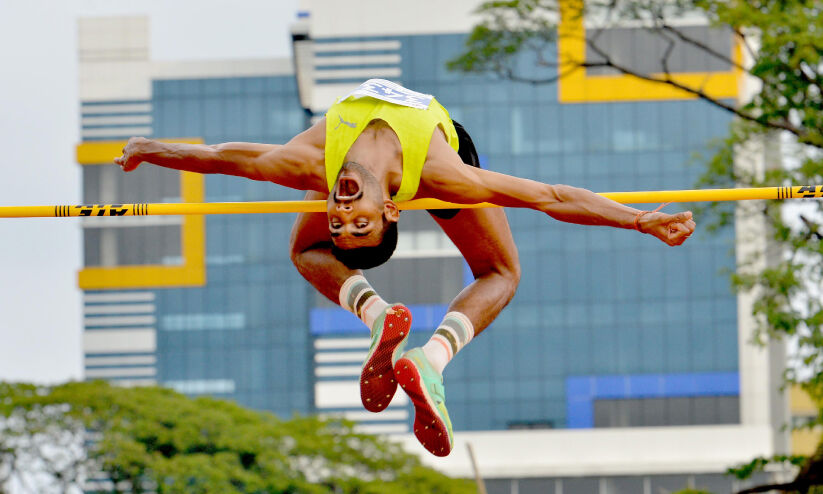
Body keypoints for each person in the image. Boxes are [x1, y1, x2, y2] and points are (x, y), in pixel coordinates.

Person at [116, 78, 695, 457]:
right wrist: (637, 219)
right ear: (390, 212)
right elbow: (548, 196)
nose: (340, 215)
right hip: (428, 158)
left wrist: (153, 146)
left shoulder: (314, 168)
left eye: (341, 221)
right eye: (353, 223)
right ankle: (410, 344)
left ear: (391, 209)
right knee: (500, 273)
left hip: (424, 155)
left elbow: (223, 158)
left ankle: (408, 344)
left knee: (313, 250)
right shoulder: (444, 178)